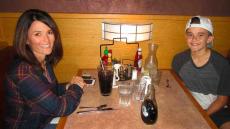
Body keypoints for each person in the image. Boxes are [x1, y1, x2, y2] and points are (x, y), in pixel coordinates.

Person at [4, 9, 86, 129]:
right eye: (37, 34)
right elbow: (61, 108)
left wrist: (68, 86)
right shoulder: (22, 73)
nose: (46, 40)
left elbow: (49, 89)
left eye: (49, 32)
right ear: (26, 39)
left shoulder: (44, 60)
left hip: (45, 119)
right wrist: (76, 87)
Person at [172, 16, 230, 129]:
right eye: (190, 34)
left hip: (216, 109)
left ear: (209, 38)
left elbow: (222, 100)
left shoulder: (222, 64)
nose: (194, 39)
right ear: (186, 37)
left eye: (200, 35)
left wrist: (203, 116)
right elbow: (179, 88)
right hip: (189, 107)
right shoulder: (179, 60)